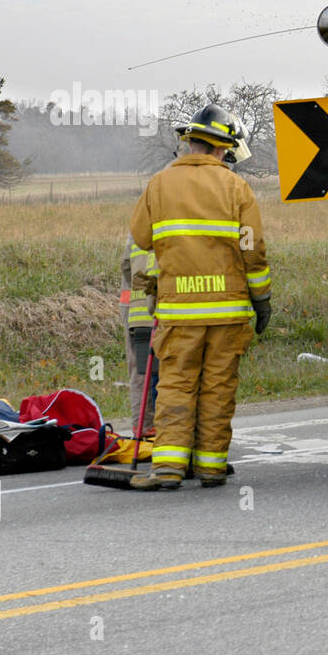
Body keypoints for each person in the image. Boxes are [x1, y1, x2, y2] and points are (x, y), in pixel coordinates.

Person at [127, 103, 272, 490]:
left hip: (180, 312)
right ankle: (211, 467)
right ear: (222, 147)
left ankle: (170, 469)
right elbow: (252, 250)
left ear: (189, 142)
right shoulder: (236, 187)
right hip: (229, 313)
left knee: (176, 384)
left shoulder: (159, 184)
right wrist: (263, 301)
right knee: (218, 387)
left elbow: (141, 237)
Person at [118, 233, 159, 432]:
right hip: (159, 313)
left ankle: (142, 427)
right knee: (165, 373)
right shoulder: (172, 225)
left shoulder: (136, 230)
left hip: (134, 314)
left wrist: (138, 287)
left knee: (140, 372)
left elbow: (126, 265)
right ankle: (162, 429)